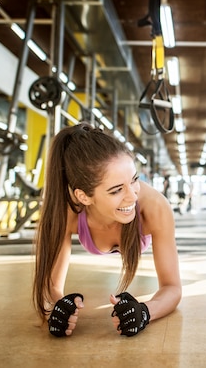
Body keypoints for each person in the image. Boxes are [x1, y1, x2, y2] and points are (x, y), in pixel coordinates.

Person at [32, 122, 181, 338]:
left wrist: (145, 312)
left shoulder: (155, 207)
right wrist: (57, 308)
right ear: (84, 196)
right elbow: (51, 286)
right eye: (116, 190)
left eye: (134, 180)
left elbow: (172, 288)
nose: (132, 196)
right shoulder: (67, 211)